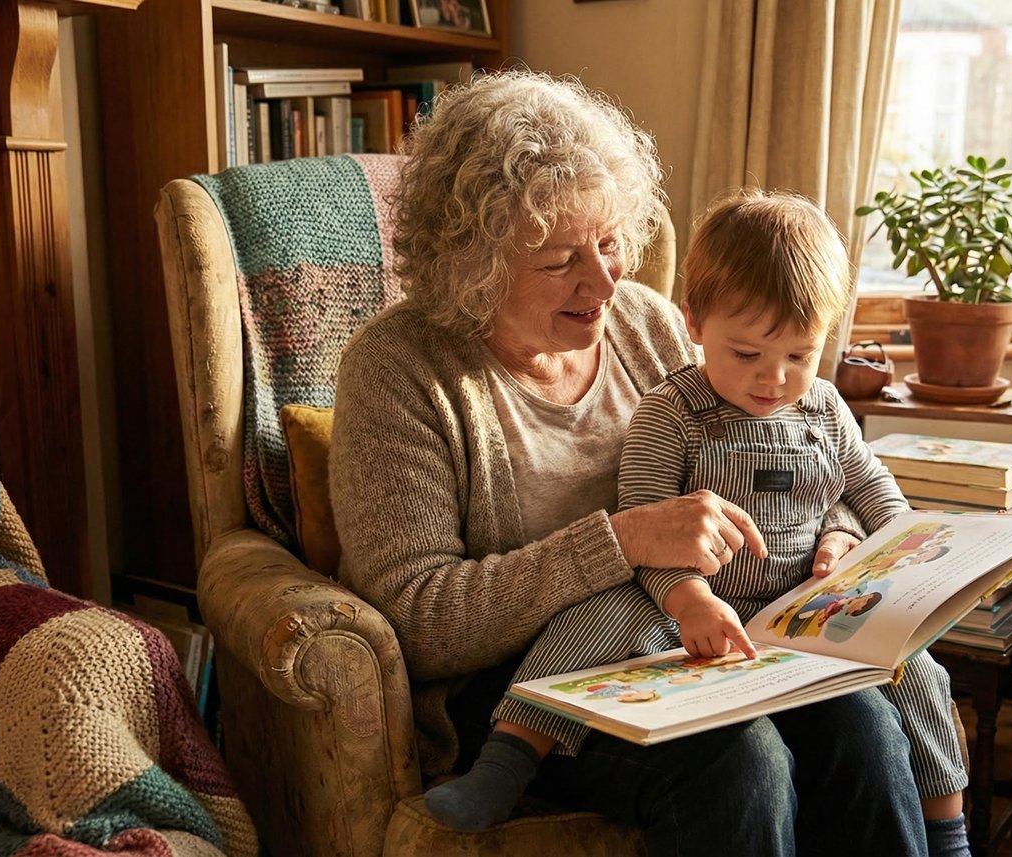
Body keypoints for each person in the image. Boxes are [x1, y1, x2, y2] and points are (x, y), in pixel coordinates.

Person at [330, 70, 930, 856]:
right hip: (523, 687)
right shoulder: (398, 369)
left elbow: (781, 448)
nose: (606, 279)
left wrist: (844, 528)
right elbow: (417, 616)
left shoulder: (645, 324)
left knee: (864, 723)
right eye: (560, 260)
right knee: (740, 760)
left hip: (688, 634)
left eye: (610, 243)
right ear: (470, 263)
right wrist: (622, 541)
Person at [424, 190, 972, 856]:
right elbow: (647, 525)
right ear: (695, 323)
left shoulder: (825, 410)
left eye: (799, 356)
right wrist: (692, 600)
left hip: (793, 609)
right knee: (596, 616)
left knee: (909, 674)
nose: (774, 379)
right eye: (746, 356)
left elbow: (873, 493)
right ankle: (508, 757)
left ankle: (947, 833)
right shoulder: (672, 410)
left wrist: (905, 557)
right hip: (680, 602)